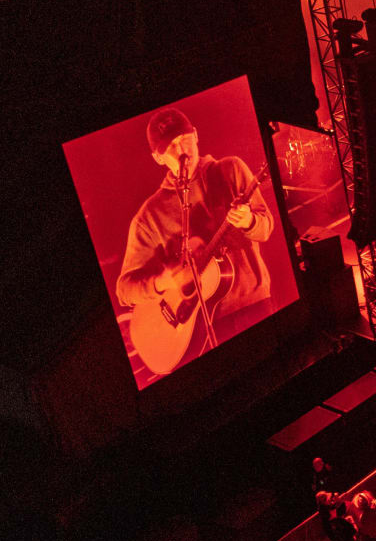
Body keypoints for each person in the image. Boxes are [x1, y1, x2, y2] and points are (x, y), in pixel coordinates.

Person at [116, 106, 275, 359]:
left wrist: (248, 221)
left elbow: (266, 227)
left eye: (185, 139)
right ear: (157, 158)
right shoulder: (149, 216)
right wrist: (162, 281)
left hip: (255, 305)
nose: (181, 150)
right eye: (171, 146)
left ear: (196, 135)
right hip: (200, 326)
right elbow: (125, 289)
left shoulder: (230, 169)